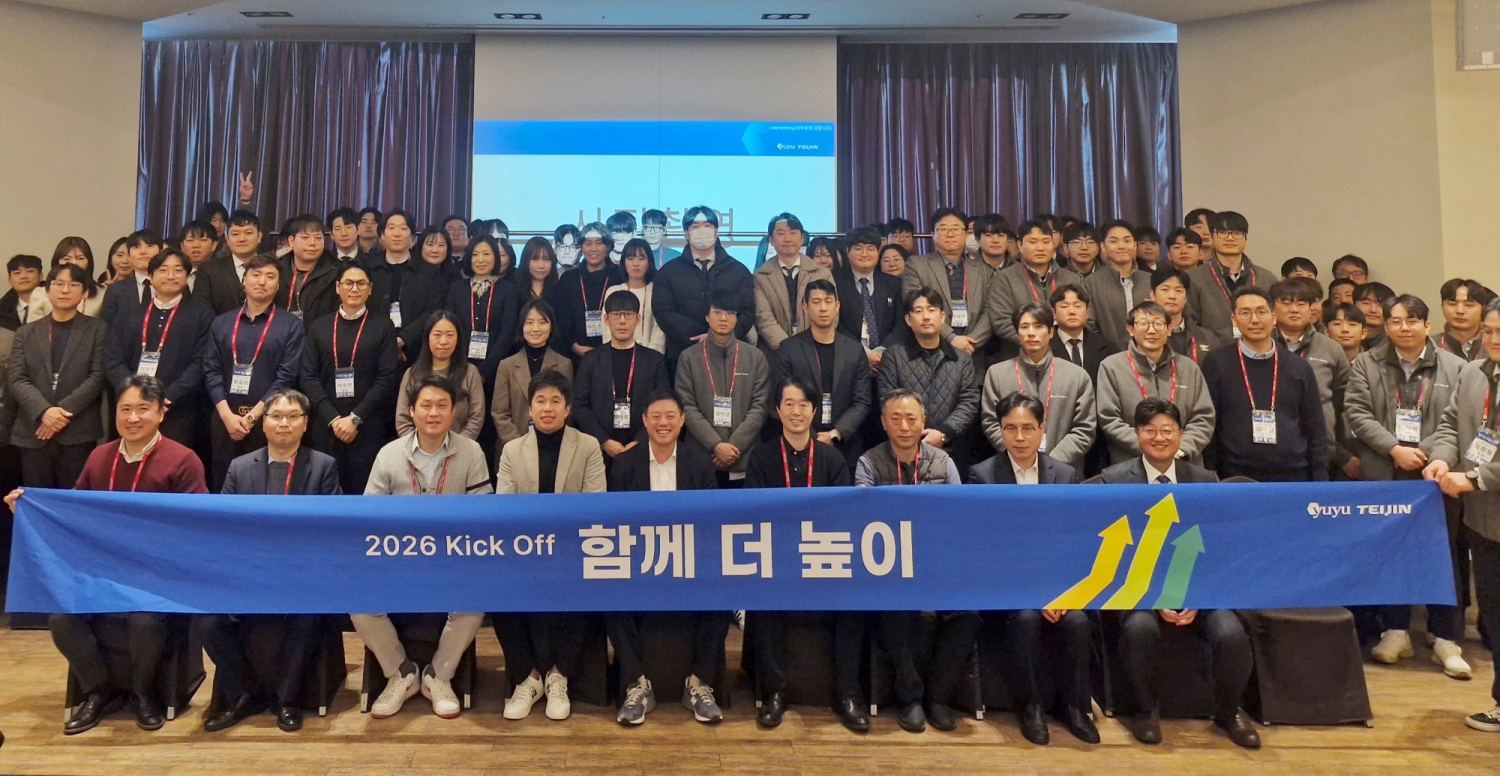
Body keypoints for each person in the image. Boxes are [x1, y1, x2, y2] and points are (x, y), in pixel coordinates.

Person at [5, 375, 208, 734]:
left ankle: (143, 695)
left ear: (161, 413)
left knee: (145, 621)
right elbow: (71, 512)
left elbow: (196, 524)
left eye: (143, 409)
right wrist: (26, 507)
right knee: (62, 619)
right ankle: (99, 692)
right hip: (101, 572)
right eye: (125, 409)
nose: (133, 418)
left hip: (155, 574)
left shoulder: (183, 460)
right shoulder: (100, 456)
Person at [1096, 398, 1260, 748]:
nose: (1159, 438)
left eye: (1167, 430)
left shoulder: (1204, 480)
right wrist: (1157, 597)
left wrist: (1195, 597)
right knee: (1139, 628)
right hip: (1138, 588)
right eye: (1150, 430)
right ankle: (1144, 711)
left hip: (1198, 588)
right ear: (1137, 434)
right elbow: (1115, 554)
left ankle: (1229, 713)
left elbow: (1215, 548)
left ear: (1181, 434)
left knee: (1231, 634)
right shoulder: (1114, 481)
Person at [1345, 294, 1470, 675]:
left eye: (1412, 320)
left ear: (1427, 326)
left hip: (1437, 474)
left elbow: (1456, 420)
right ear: (1386, 326)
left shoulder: (1455, 366)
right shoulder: (1366, 363)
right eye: (1396, 321)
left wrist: (1426, 451)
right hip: (1385, 472)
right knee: (1390, 552)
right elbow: (1357, 412)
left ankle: (1446, 637)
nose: (1404, 328)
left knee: (1443, 553)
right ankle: (1396, 631)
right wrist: (1394, 448)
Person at [203, 389, 340, 733]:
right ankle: (244, 693)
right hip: (249, 572)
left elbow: (331, 527)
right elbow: (224, 527)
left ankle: (287, 699)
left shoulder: (323, 465)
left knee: (308, 614)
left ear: (305, 424)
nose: (283, 423)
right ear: (263, 423)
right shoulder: (239, 467)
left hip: (299, 572)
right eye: (276, 416)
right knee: (207, 621)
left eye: (292, 416)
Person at [357, 376, 491, 720]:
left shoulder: (471, 452)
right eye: (426, 406)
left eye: (441, 406)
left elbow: (484, 513)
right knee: (358, 604)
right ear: (412, 411)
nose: (433, 413)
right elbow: (370, 515)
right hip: (398, 560)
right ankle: (400, 673)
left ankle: (439, 677)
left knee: (475, 602)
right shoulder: (389, 454)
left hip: (453, 559)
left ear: (453, 412)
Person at [852, 390, 981, 734]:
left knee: (969, 613)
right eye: (896, 419)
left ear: (924, 421)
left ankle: (938, 697)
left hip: (938, 564)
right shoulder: (868, 462)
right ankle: (910, 697)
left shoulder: (943, 461)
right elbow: (863, 519)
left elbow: (959, 516)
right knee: (897, 610)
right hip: (888, 568)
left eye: (912, 419)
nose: (905, 426)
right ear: (883, 423)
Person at [606, 390, 725, 725]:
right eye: (656, 416)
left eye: (670, 416)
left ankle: (699, 684)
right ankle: (637, 684)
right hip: (638, 560)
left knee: (723, 591)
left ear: (682, 420)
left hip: (689, 560)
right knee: (608, 592)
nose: (663, 423)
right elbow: (615, 522)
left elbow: (710, 521)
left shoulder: (699, 463)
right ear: (644, 421)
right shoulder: (625, 464)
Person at [743, 376, 855, 729]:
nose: (796, 411)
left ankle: (847, 693)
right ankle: (775, 692)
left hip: (824, 554)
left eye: (803, 404)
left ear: (814, 411)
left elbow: (842, 514)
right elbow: (755, 514)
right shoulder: (761, 457)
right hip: (777, 556)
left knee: (854, 603)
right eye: (788, 404)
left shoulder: (832, 458)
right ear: (777, 410)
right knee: (766, 597)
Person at [495, 371, 606, 721]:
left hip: (573, 550)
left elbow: (595, 505)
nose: (547, 408)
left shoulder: (587, 446)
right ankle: (528, 678)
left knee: (586, 584)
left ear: (567, 408)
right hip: (525, 550)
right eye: (540, 401)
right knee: (495, 589)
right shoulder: (512, 450)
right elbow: (505, 508)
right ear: (530, 408)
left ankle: (559, 675)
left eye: (555, 401)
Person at [1422, 296, 1500, 732]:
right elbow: (1450, 424)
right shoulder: (1473, 374)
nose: (1492, 339)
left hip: (1484, 493)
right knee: (1495, 617)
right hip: (1483, 522)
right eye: (1488, 331)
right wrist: (1442, 458)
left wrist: (1476, 477)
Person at [1201, 287, 1328, 481]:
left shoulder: (1298, 367)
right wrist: (1211, 475)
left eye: (1261, 312)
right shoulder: (1217, 363)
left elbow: (1315, 427)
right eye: (1245, 313)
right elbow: (1211, 424)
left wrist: (1319, 479)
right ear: (1234, 320)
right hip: (1236, 474)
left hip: (1292, 473)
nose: (1255, 320)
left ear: (1274, 317)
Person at [203, 253, 304, 490]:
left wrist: (252, 417)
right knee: (223, 483)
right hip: (225, 418)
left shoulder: (291, 325)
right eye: (256, 275)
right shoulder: (222, 323)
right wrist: (227, 415)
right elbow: (211, 370)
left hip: (269, 419)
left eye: (270, 276)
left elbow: (286, 375)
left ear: (278, 285)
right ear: (244, 281)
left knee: (264, 486)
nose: (262, 281)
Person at [300, 263, 401, 495]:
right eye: (348, 283)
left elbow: (387, 377)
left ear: (370, 289)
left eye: (361, 283)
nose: (354, 289)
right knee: (325, 494)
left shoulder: (383, 326)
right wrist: (334, 419)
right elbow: (308, 376)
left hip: (368, 425)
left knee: (364, 494)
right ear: (338, 287)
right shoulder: (319, 326)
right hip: (327, 425)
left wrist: (355, 418)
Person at [7, 263, 107, 492]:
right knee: (37, 498)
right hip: (33, 431)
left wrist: (60, 413)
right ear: (47, 290)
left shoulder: (98, 329)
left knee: (74, 500)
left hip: (78, 431)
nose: (65, 290)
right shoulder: (26, 332)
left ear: (84, 292)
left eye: (74, 284)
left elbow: (98, 376)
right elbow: (17, 378)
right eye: (58, 284)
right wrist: (44, 412)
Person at [104, 250, 214, 450]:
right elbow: (113, 359)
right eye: (163, 270)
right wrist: (134, 395)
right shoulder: (129, 314)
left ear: (187, 277)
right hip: (132, 409)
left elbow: (201, 363)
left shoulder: (201, 315)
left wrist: (166, 397)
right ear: (151, 276)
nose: (170, 276)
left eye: (178, 270)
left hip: (179, 409)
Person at [981, 303, 1095, 476]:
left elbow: (1085, 428)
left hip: (1063, 473)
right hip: (1013, 470)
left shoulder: (1076, 376)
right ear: (1017, 334)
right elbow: (991, 423)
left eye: (1038, 326)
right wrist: (1021, 456)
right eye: (1024, 327)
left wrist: (1050, 464)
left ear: (1051, 332)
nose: (1031, 333)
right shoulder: (997, 374)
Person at [1096, 301, 1216, 465]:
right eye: (1143, 324)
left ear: (1169, 329)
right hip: (1131, 464)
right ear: (1130, 329)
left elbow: (1203, 418)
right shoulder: (1111, 367)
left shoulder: (1189, 368)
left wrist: (1179, 450)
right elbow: (1109, 418)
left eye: (1158, 324)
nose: (1151, 330)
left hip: (1182, 462)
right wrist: (1151, 448)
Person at [676, 290, 770, 487]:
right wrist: (716, 445)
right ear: (707, 316)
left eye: (730, 313)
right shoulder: (689, 357)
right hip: (702, 458)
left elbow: (760, 406)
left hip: (745, 458)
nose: (723, 318)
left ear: (737, 318)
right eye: (717, 312)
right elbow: (686, 406)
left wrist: (733, 446)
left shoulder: (755, 357)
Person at [772, 279, 872, 461]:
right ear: (805, 308)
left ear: (837, 306)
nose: (823, 308)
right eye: (816, 302)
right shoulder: (789, 349)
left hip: (846, 446)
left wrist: (836, 434)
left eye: (828, 301)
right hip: (800, 444)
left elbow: (862, 401)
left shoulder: (854, 350)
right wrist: (811, 436)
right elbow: (779, 399)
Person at [1269, 278, 1352, 478]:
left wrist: (1339, 451)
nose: (1294, 309)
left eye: (1301, 303)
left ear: (1311, 308)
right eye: (1286, 303)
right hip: (1270, 447)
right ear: (1272, 309)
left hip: (1320, 448)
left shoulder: (1331, 348)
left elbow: (1342, 399)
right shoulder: (1263, 345)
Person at [573, 291, 670, 461]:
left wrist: (639, 441)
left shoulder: (654, 361)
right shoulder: (591, 359)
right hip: (599, 449)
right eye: (616, 314)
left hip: (643, 447)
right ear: (606, 319)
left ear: (638, 319)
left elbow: (662, 404)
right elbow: (580, 405)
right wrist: (604, 441)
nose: (622, 321)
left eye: (628, 314)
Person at [653, 206, 756, 361]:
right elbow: (663, 311)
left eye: (707, 225)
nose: (702, 230)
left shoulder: (738, 270)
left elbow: (747, 311)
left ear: (716, 232)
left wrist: (717, 336)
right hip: (682, 352)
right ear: (686, 234)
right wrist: (698, 336)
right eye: (695, 226)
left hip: (730, 353)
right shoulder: (668, 272)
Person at [902, 207, 992, 358]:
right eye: (943, 229)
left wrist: (969, 343)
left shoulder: (984, 271)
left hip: (972, 353)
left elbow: (990, 312)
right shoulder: (916, 265)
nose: (950, 234)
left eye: (956, 229)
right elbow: (913, 305)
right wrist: (951, 338)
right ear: (933, 234)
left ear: (966, 234)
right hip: (928, 352)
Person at [990, 220, 1084, 357]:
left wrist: (1058, 345)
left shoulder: (1072, 279)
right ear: (1019, 245)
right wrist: (1036, 341)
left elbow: (1085, 316)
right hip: (1019, 354)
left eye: (1046, 241)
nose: (1040, 248)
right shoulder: (1004, 278)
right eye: (1033, 242)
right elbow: (1001, 322)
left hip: (1066, 353)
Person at [492, 299, 573, 450]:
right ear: (522, 326)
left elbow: (568, 409)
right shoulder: (506, 365)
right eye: (529, 322)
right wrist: (519, 446)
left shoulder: (564, 364)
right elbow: (499, 412)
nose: (536, 328)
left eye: (542, 322)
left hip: (552, 447)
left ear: (551, 327)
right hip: (512, 448)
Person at [444, 235, 518, 394]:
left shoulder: (508, 290)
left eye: (486, 254)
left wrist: (483, 372)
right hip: (459, 369)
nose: (480, 260)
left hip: (496, 371)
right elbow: (449, 329)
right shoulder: (456, 289)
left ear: (495, 257)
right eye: (475, 254)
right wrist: (462, 368)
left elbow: (506, 335)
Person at [395, 311, 485, 440]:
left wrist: (456, 447)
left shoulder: (470, 372)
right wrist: (420, 447)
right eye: (437, 335)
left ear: (458, 339)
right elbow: (402, 420)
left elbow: (476, 418)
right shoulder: (412, 374)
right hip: (417, 449)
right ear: (428, 338)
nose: (443, 341)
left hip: (460, 448)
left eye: (450, 335)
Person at [753, 212, 833, 356]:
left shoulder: (822, 273)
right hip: (776, 352)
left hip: (816, 350)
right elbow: (764, 319)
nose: (787, 239)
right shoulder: (761, 277)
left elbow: (830, 313)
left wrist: (810, 347)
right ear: (771, 240)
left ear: (802, 238)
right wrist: (790, 351)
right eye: (781, 233)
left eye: (793, 233)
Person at [1185, 211, 1270, 344]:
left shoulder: (1266, 278)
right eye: (1222, 232)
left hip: (1257, 349)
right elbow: (1190, 323)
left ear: (1245, 239)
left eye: (1237, 233)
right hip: (1212, 351)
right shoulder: (1195, 278)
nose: (1230, 238)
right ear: (1212, 236)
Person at [835, 226, 907, 375]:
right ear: (847, 251)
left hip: (887, 361)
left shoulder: (893, 284)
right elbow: (836, 325)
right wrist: (864, 353)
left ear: (878, 252)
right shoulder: (835, 282)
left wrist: (881, 352)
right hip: (847, 361)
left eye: (870, 248)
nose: (864, 254)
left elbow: (902, 322)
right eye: (858, 248)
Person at [549, 222, 624, 362]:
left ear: (608, 246)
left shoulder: (620, 277)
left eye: (599, 243)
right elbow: (560, 317)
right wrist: (574, 346)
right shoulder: (569, 279)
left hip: (615, 352)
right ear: (581, 247)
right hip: (575, 353)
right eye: (588, 243)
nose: (593, 249)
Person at [1082, 220, 1152, 352]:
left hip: (1150, 353)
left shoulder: (1151, 281)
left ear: (1135, 245)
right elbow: (1089, 326)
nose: (1121, 246)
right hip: (1107, 356)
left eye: (1127, 241)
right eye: (1114, 241)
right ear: (1103, 247)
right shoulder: (1089, 284)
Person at [362, 209, 421, 350]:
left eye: (403, 228)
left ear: (413, 237)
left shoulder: (427, 272)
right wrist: (385, 341)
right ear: (382, 236)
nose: (397, 234)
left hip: (417, 347)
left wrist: (404, 338)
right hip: (373, 345)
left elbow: (431, 311)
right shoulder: (367, 269)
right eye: (391, 228)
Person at [603, 237, 666, 354]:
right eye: (630, 258)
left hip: (650, 357)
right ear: (623, 262)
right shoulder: (613, 291)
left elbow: (659, 331)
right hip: (616, 355)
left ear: (649, 262)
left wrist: (650, 357)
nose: (636, 264)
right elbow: (607, 329)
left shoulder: (658, 290)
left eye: (641, 258)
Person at [276, 215, 339, 323]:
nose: (312, 243)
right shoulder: (277, 270)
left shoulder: (335, 272)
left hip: (319, 331)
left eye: (318, 238)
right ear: (291, 241)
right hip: (281, 330)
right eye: (305, 238)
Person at [1151, 266, 1219, 363]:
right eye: (1165, 290)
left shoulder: (1207, 338)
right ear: (1152, 295)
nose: (1172, 296)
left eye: (1178, 291)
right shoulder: (1143, 336)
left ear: (1186, 298)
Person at [1047, 284, 1114, 380]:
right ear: (1054, 313)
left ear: (1087, 313)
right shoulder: (1044, 346)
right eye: (1064, 306)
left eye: (1077, 306)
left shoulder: (1106, 347)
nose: (1072, 311)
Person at [200, 211, 262, 316]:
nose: (242, 239)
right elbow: (202, 311)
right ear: (227, 239)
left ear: (259, 236)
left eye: (248, 233)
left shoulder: (273, 269)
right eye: (235, 234)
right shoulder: (209, 271)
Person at [97, 231, 163, 327]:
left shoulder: (173, 286)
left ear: (161, 252)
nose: (143, 251)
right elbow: (106, 327)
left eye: (150, 246)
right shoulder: (116, 290)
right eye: (136, 247)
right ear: (129, 256)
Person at [1437, 278, 1496, 361]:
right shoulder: (1429, 345)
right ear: (1442, 307)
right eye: (1452, 304)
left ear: (1483, 309)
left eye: (1469, 305)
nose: (1460, 311)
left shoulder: (1495, 344)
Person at [50, 237, 104, 318]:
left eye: (80, 258)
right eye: (67, 259)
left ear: (89, 263)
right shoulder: (41, 294)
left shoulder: (102, 294)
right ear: (57, 262)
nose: (74, 263)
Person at [516, 235, 559, 315]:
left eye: (546, 259)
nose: (541, 266)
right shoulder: (514, 291)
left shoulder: (559, 292)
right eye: (535, 259)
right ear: (526, 260)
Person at [1353, 281, 1396, 352]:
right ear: (1353, 304)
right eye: (1366, 303)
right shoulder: (1342, 337)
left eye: (1381, 305)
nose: (1373, 310)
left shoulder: (1396, 342)